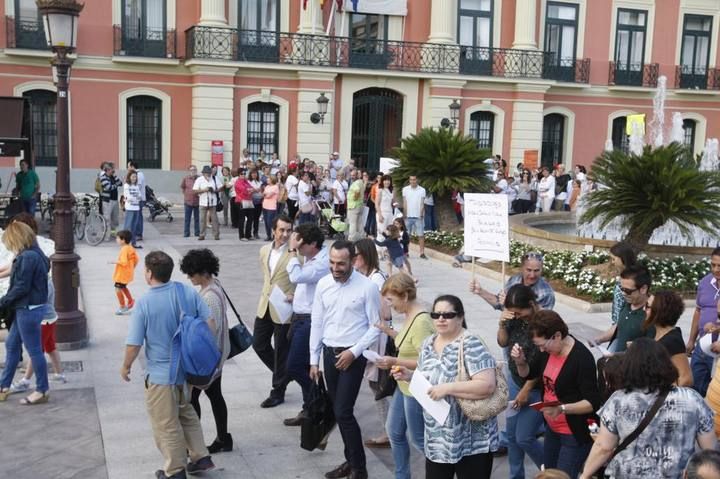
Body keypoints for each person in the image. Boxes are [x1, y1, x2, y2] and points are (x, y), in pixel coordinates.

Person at [121, 251, 215, 478]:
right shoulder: (186, 292)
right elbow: (209, 322)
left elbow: (134, 344)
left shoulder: (144, 304)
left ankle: (174, 471)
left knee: (166, 423)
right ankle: (201, 457)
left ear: (149, 273)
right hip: (185, 371)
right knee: (187, 413)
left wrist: (125, 366)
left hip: (160, 376)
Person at [392, 295, 499, 479]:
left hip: (471, 440)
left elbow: (487, 386)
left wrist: (447, 388)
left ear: (460, 317)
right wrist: (409, 376)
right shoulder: (428, 344)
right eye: (436, 314)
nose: (441, 319)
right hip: (438, 439)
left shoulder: (471, 343)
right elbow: (428, 378)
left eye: (448, 315)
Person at [580, 338, 716, 479]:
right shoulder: (692, 399)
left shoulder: (618, 400)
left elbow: (604, 447)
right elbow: (709, 450)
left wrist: (585, 475)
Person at [309, 240, 381, 479]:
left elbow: (377, 326)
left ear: (353, 260)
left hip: (352, 354)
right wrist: (313, 359)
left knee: (343, 411)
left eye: (341, 263)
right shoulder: (323, 285)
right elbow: (317, 322)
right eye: (332, 262)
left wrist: (355, 351)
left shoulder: (367, 287)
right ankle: (350, 461)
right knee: (339, 411)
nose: (335, 267)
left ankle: (359, 468)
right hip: (330, 354)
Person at [511, 310, 602, 478]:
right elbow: (529, 375)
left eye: (543, 345)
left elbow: (592, 402)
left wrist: (562, 409)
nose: (541, 350)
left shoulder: (581, 358)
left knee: (562, 475)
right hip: (552, 428)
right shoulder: (547, 351)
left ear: (557, 335)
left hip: (573, 432)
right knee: (549, 473)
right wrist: (521, 362)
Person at [376, 274, 434, 479]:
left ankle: (443, 470)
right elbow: (406, 340)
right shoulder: (410, 315)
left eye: (391, 300)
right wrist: (388, 331)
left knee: (418, 440)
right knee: (394, 432)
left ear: (406, 295)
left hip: (415, 387)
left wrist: (394, 362)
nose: (390, 305)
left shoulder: (421, 322)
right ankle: (402, 475)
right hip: (404, 385)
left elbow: (427, 361)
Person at [180, 249, 232, 454]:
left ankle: (194, 444)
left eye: (191, 273)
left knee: (193, 400)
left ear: (202, 272)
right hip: (217, 356)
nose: (189, 277)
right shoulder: (215, 286)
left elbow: (209, 331)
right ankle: (223, 439)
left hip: (208, 359)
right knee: (215, 396)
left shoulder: (209, 297)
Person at [282, 223, 329, 427]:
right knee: (300, 365)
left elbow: (296, 276)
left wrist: (292, 250)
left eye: (301, 243)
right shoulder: (310, 258)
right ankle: (309, 408)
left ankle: (321, 403)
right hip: (299, 316)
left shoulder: (322, 261)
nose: (297, 247)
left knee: (294, 366)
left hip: (310, 320)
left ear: (313, 244)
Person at [497, 285, 545, 479]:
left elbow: (544, 363)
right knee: (512, 437)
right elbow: (502, 342)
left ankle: (553, 470)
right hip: (515, 380)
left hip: (536, 387)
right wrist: (501, 325)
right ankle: (516, 476)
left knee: (524, 437)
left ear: (532, 305)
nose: (517, 315)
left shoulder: (544, 323)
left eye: (520, 311)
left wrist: (526, 389)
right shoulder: (513, 318)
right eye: (513, 312)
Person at [0, 221, 50, 405]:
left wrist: (3, 302)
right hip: (31, 307)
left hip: (28, 308)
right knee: (12, 345)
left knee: (34, 351)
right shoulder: (35, 253)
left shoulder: (27, 257)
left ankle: (42, 389)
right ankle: (4, 385)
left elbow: (21, 287)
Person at [353, 238, 392, 448]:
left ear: (366, 255)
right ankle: (390, 429)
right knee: (377, 384)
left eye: (356, 255)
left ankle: (391, 430)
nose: (353, 259)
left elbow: (385, 312)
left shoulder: (376, 280)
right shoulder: (364, 277)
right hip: (369, 338)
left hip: (379, 340)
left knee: (381, 385)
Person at [253, 214, 295, 408]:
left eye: (289, 230)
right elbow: (267, 277)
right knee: (259, 344)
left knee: (281, 350)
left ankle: (278, 391)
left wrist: (295, 295)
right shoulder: (264, 250)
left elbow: (302, 279)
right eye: (282, 230)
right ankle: (284, 374)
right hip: (265, 304)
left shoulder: (296, 254)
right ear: (273, 230)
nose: (285, 234)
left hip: (285, 308)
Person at [9, 274, 65, 393]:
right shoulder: (47, 279)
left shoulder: (43, 283)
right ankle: (59, 374)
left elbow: (39, 301)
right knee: (50, 347)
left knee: (36, 351)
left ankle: (26, 381)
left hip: (44, 320)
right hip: (50, 318)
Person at [594, 265, 652, 353]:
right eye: (622, 289)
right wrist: (599, 339)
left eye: (628, 291)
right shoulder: (627, 303)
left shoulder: (652, 313)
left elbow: (652, 348)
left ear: (643, 289)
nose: (624, 293)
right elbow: (620, 326)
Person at [470, 252, 556, 311]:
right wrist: (480, 291)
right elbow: (499, 303)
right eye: (529, 270)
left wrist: (510, 304)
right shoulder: (515, 280)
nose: (532, 275)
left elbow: (543, 321)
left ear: (542, 269)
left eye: (536, 270)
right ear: (521, 268)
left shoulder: (546, 293)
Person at [687, 247, 720, 396]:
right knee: (694, 391)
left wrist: (717, 329)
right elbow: (698, 311)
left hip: (718, 350)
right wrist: (691, 341)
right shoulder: (705, 282)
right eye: (713, 265)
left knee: (714, 395)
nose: (715, 269)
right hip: (702, 346)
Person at [644, 290, 693, 387]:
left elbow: (686, 379)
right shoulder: (659, 334)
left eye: (647, 306)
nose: (643, 309)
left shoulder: (672, 340)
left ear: (659, 311)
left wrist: (665, 399)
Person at [608, 241, 637, 326]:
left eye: (614, 259)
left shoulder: (633, 278)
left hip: (625, 325)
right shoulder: (622, 275)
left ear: (623, 258)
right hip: (617, 325)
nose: (612, 262)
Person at [110, 230, 139, 315]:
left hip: (122, 274)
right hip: (127, 273)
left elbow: (124, 262)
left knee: (118, 289)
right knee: (123, 287)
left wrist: (115, 261)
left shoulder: (124, 249)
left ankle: (122, 306)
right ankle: (130, 301)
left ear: (123, 240)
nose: (116, 240)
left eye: (118, 238)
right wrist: (132, 268)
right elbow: (136, 259)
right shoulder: (130, 248)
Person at [402, 176, 427, 259]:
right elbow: (404, 202)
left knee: (421, 235)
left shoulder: (422, 190)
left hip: (418, 216)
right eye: (411, 179)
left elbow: (422, 203)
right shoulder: (405, 189)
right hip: (408, 216)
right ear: (409, 180)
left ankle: (422, 253)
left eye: (414, 179)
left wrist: (421, 214)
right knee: (406, 236)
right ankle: (406, 252)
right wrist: (404, 214)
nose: (413, 181)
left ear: (417, 180)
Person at [192, 165, 220, 241]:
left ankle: (216, 234)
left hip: (212, 202)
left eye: (209, 172)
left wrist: (214, 190)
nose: (208, 174)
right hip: (203, 202)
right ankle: (202, 235)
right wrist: (204, 190)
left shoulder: (214, 178)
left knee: (214, 219)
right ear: (203, 173)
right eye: (206, 173)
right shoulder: (199, 180)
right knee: (202, 219)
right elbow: (194, 191)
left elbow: (220, 188)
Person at [100, 162, 123, 237]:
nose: (113, 170)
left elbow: (120, 183)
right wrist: (116, 185)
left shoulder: (113, 177)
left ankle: (113, 233)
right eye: (111, 169)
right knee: (107, 219)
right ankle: (106, 235)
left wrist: (115, 176)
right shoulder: (103, 177)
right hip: (107, 201)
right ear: (107, 170)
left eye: (113, 169)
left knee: (115, 219)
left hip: (115, 200)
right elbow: (109, 187)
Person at [122, 170, 143, 248]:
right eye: (133, 176)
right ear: (129, 177)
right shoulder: (127, 185)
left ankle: (133, 243)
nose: (134, 178)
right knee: (127, 226)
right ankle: (124, 243)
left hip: (136, 208)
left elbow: (140, 197)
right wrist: (135, 198)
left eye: (135, 177)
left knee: (134, 226)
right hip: (130, 208)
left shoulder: (136, 186)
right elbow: (128, 197)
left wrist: (134, 198)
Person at [127, 160, 146, 241]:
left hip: (138, 200)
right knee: (136, 217)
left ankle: (138, 234)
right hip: (135, 200)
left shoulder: (139, 175)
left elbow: (137, 187)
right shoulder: (135, 174)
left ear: (132, 166)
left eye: (128, 167)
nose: (127, 169)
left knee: (138, 217)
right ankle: (136, 233)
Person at [181, 165, 200, 238]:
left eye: (194, 170)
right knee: (187, 219)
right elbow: (183, 187)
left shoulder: (199, 179)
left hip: (197, 201)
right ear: (189, 171)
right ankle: (186, 233)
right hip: (188, 201)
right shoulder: (185, 178)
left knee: (197, 219)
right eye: (191, 170)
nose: (193, 171)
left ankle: (197, 233)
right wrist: (186, 195)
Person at [234, 171, 254, 241]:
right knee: (242, 219)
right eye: (242, 174)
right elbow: (244, 191)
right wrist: (249, 190)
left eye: (245, 174)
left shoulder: (246, 181)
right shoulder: (238, 182)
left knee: (250, 218)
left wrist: (250, 190)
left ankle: (248, 235)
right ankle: (241, 236)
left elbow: (252, 188)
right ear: (239, 175)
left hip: (248, 201)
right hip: (240, 201)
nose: (243, 175)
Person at [346, 169, 365, 241]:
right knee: (359, 222)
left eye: (353, 175)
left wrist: (354, 198)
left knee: (352, 223)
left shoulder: (356, 183)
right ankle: (362, 236)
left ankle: (351, 238)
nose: (352, 177)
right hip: (359, 206)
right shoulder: (361, 182)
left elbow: (357, 192)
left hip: (353, 206)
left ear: (357, 175)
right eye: (351, 175)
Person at [375, 174, 394, 239]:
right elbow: (376, 204)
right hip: (382, 213)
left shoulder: (391, 191)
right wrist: (380, 215)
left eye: (388, 180)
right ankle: (379, 249)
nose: (387, 182)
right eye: (385, 180)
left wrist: (394, 204)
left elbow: (391, 203)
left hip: (390, 214)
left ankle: (387, 248)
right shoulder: (380, 190)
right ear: (382, 181)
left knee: (389, 232)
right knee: (381, 232)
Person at [262, 175, 279, 241]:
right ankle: (268, 235)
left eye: (268, 179)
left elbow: (268, 196)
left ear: (272, 180)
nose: (267, 180)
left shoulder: (275, 187)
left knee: (270, 222)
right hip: (265, 206)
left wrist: (265, 194)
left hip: (272, 207)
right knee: (266, 222)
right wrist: (265, 194)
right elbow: (263, 194)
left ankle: (274, 235)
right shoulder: (267, 186)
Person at [248, 169, 264, 239]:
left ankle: (255, 232)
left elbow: (261, 190)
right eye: (253, 173)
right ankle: (249, 233)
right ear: (250, 174)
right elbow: (249, 191)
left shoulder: (259, 182)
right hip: (251, 201)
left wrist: (255, 190)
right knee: (250, 218)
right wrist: (255, 190)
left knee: (256, 218)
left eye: (255, 173)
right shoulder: (248, 182)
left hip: (259, 202)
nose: (254, 175)